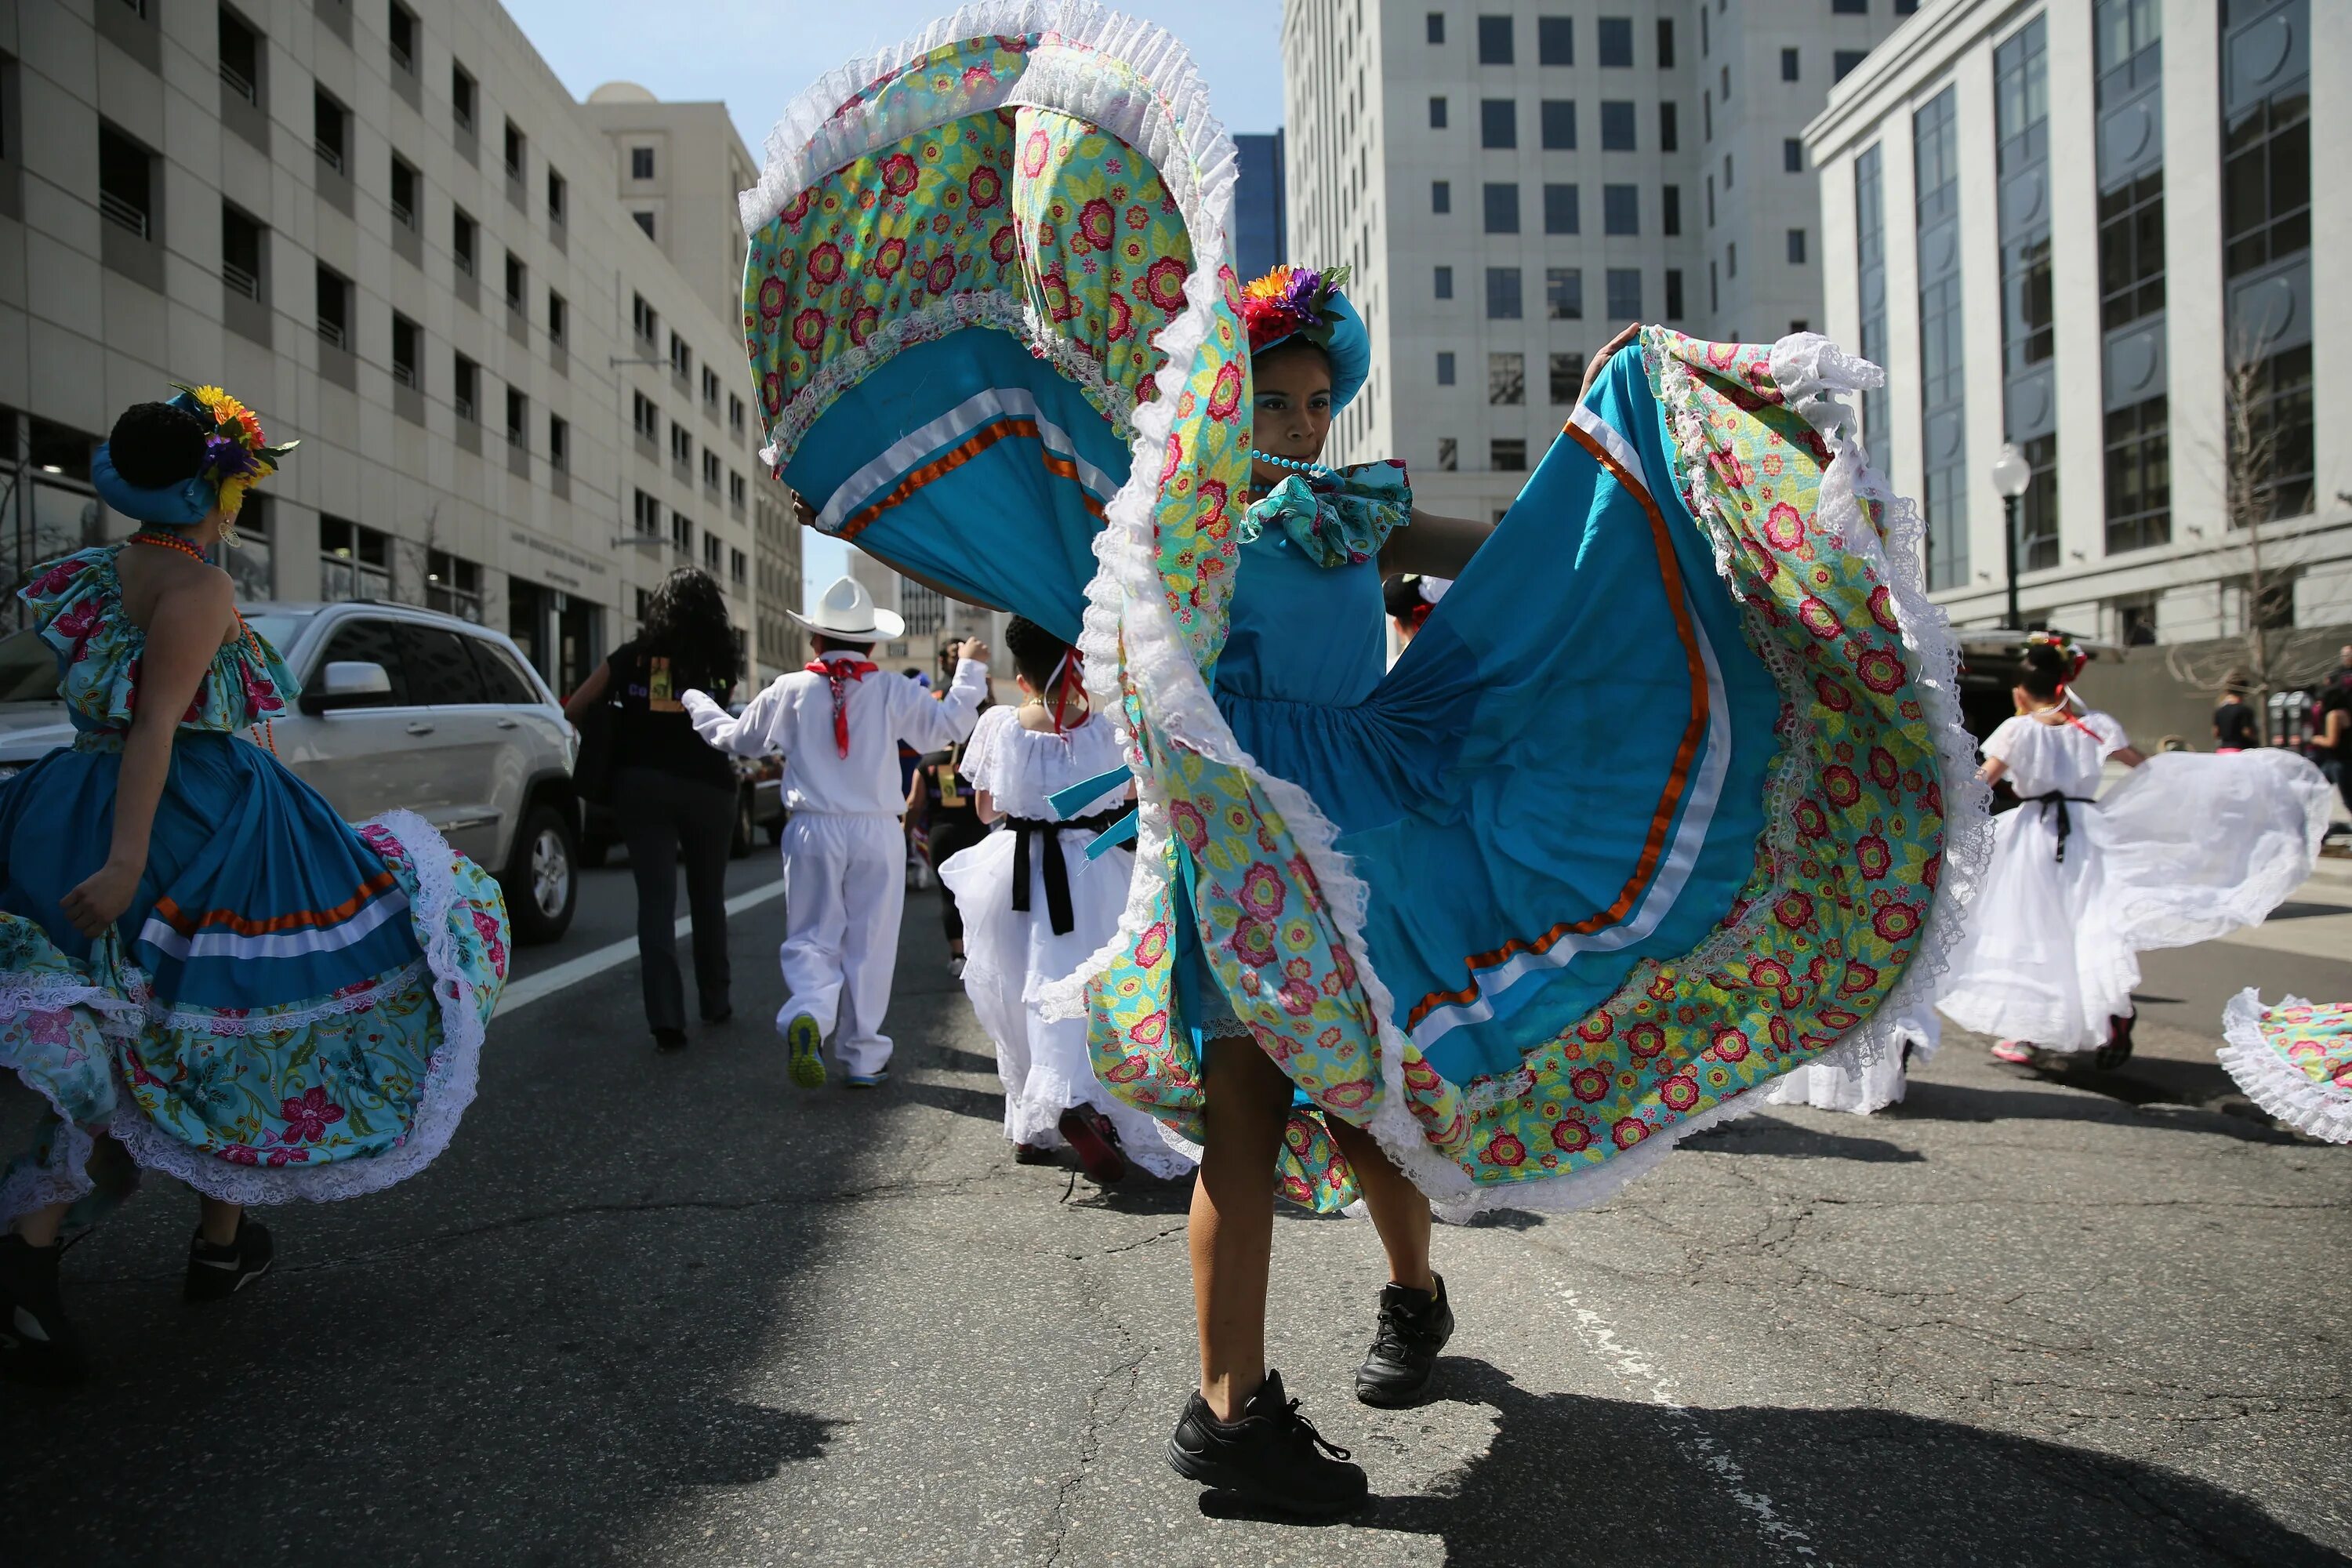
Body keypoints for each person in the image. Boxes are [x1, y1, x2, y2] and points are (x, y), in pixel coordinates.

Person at [739, 18, 1984, 1519]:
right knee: (1248, 1118)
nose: (1303, 417)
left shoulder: (1346, 512)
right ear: (1219, 394)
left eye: (1317, 397)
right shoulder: (1162, 531)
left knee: (1368, 1099)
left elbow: (1524, 545)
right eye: (1276, 394)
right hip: (1234, 828)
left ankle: (1410, 1296)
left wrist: (1641, 456)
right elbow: (1039, 550)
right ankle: (1231, 1411)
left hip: (1366, 820)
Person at [0, 387, 507, 1386]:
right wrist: (128, 861)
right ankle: (104, 1258)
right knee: (230, 1002)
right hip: (187, 816)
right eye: (237, 481)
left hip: (68, 796)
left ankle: (154, 1249)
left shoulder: (102, 568)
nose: (240, 498)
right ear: (214, 490)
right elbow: (154, 728)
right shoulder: (198, 589)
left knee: (147, 1015)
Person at [1939, 633, 2329, 1067]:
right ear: (2063, 685)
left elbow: (1981, 785)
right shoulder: (2097, 726)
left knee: (2032, 932)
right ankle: (2111, 1012)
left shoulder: (2017, 730)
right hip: (2090, 834)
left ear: (2019, 693)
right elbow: (2150, 769)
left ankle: (2031, 1032)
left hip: (2032, 835)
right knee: (2090, 928)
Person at [681, 576, 988, 1089]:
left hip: (812, 829)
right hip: (876, 831)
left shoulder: (790, 689)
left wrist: (696, 701)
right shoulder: (890, 687)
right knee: (871, 941)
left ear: (815, 641)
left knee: (814, 935)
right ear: (871, 643)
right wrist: (971, 669)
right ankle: (864, 1056)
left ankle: (810, 1012)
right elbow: (948, 728)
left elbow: (738, 740)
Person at [938, 616, 1191, 1184]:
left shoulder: (1001, 728)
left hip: (1016, 872)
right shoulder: (1107, 728)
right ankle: (1090, 1104)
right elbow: (1132, 793)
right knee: (1102, 989)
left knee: (1020, 991)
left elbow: (984, 811)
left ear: (1019, 671)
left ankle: (1037, 1122)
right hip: (1094, 866)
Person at [564, 567, 739, 1053]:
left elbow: (574, 708)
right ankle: (715, 1001)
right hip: (709, 785)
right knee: (709, 898)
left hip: (642, 785)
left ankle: (666, 1018)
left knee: (656, 903)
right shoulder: (721, 658)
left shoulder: (632, 657)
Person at [909, 637, 993, 978]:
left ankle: (957, 955)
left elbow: (914, 802)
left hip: (941, 832)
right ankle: (978, 951)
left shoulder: (930, 761)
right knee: (978, 896)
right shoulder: (981, 760)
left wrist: (903, 831)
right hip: (977, 828)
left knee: (948, 896)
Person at [2213, 677, 2261, 753]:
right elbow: (2247, 732)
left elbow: (2216, 732)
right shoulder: (2245, 710)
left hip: (2222, 751)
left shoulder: (2220, 711)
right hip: (2240, 751)